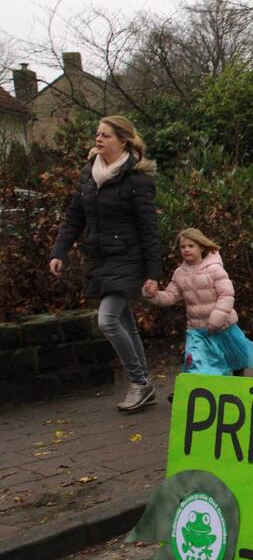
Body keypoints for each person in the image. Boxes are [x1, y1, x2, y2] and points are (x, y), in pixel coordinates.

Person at [49, 116, 162, 413]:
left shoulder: (137, 180)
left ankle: (139, 383)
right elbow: (75, 217)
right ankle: (145, 384)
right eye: (97, 134)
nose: (98, 140)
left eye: (106, 136)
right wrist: (58, 251)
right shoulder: (89, 175)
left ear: (122, 140)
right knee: (124, 322)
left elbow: (150, 230)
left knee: (107, 319)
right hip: (99, 258)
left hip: (128, 258)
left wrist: (153, 273)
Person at [144, 229, 253, 376]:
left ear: (202, 247)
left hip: (223, 326)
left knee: (233, 361)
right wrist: (152, 294)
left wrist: (217, 319)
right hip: (197, 330)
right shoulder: (179, 273)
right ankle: (191, 391)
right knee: (197, 363)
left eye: (191, 246)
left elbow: (226, 295)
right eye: (182, 247)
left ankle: (236, 384)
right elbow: (170, 296)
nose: (186, 250)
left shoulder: (215, 269)